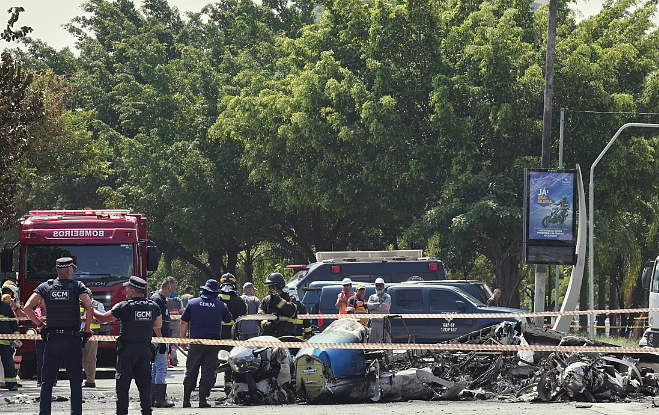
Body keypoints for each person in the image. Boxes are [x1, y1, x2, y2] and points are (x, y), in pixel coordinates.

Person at [23, 257, 94, 415]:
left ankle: (44, 413)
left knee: (47, 381)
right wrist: (87, 329)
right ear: (69, 270)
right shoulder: (77, 286)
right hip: (73, 339)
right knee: (75, 382)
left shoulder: (45, 287)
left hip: (53, 339)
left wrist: (40, 326)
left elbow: (27, 307)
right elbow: (89, 307)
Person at [92, 276, 163, 415]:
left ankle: (122, 412)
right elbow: (158, 325)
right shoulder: (154, 306)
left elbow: (102, 319)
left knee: (123, 385)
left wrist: (90, 307)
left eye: (127, 288)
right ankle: (147, 411)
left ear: (132, 291)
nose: (125, 290)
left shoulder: (124, 306)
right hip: (145, 350)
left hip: (127, 351)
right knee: (145, 385)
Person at [179, 279, 232, 408]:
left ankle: (186, 400)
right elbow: (228, 319)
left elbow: (183, 322)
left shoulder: (192, 303)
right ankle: (202, 401)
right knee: (208, 371)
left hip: (196, 342)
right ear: (215, 293)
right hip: (213, 343)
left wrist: (183, 340)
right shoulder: (221, 305)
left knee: (192, 369)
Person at [150, 276, 177, 408]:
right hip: (158, 339)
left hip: (161, 338)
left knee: (156, 369)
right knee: (160, 368)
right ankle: (159, 399)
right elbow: (156, 324)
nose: (173, 293)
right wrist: (160, 340)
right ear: (168, 287)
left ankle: (153, 398)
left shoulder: (161, 299)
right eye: (173, 290)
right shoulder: (157, 299)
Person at [218, 273, 246, 394]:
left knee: (212, 361)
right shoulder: (238, 300)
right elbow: (244, 313)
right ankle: (228, 387)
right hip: (231, 337)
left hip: (216, 336)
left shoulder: (216, 299)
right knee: (229, 362)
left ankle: (208, 384)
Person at [259, 272, 297, 337]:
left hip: (286, 336)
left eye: (273, 286)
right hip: (270, 336)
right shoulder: (266, 300)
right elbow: (259, 316)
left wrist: (279, 301)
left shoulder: (290, 298)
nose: (271, 289)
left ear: (279, 285)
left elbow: (292, 312)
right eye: (270, 286)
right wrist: (265, 324)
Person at [81, 288, 105, 387]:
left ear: (91, 296)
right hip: (80, 333)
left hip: (92, 334)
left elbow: (104, 319)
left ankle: (90, 380)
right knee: (82, 358)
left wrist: (93, 321)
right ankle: (87, 376)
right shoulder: (79, 304)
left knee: (90, 357)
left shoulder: (97, 305)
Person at [0, 292, 19, 391]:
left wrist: (16, 337)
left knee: (8, 363)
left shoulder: (5, 307)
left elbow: (13, 323)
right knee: (8, 363)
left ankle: (11, 384)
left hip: (5, 342)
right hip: (5, 341)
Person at [367, 278, 391, 343]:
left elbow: (384, 307)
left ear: (383, 286)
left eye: (380, 285)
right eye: (377, 285)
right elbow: (368, 306)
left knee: (386, 341)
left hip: (383, 323)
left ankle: (389, 353)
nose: (379, 287)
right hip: (373, 323)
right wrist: (378, 304)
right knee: (372, 342)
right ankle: (373, 353)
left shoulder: (387, 296)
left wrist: (373, 307)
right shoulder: (372, 297)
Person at [166, 292, 184, 367]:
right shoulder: (178, 300)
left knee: (167, 342)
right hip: (176, 323)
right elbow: (182, 311)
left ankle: (169, 359)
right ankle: (172, 357)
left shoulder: (165, 300)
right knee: (175, 342)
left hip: (167, 323)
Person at [33, 297, 46, 387]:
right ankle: (40, 380)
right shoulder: (37, 311)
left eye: (41, 299)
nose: (39, 301)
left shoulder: (52, 310)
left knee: (53, 358)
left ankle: (53, 380)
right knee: (41, 358)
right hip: (40, 334)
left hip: (51, 334)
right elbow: (35, 321)